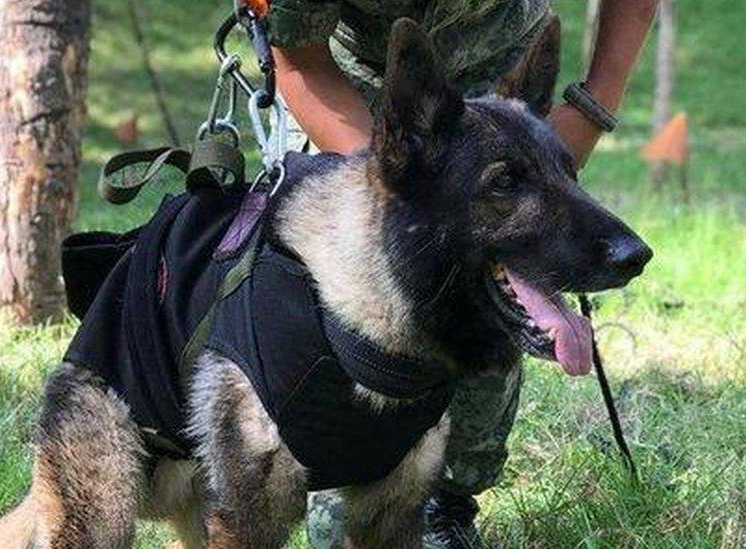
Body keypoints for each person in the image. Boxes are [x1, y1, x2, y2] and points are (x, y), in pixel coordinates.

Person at [265, 0, 659, 547]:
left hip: (503, 65)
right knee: (351, 311)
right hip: (344, 82)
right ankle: (336, 496)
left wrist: (592, 106)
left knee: (486, 303)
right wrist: (396, 188)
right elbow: (300, 62)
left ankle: (446, 505)